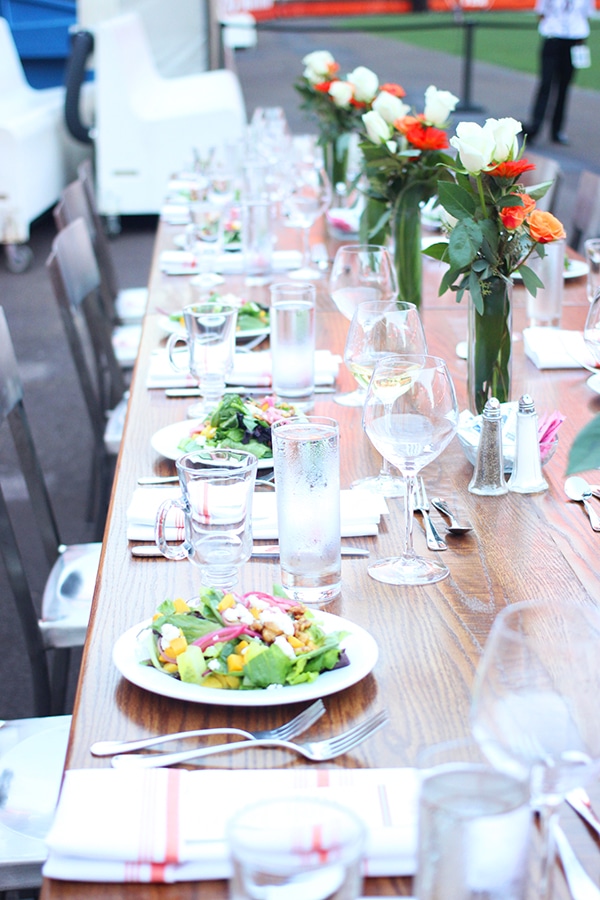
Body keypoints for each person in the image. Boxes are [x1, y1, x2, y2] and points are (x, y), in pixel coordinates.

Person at [525, 0, 595, 145]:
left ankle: (557, 130)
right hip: (553, 38)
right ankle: (535, 127)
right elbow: (541, 12)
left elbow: (587, 14)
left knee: (564, 86)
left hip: (575, 40)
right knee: (546, 84)